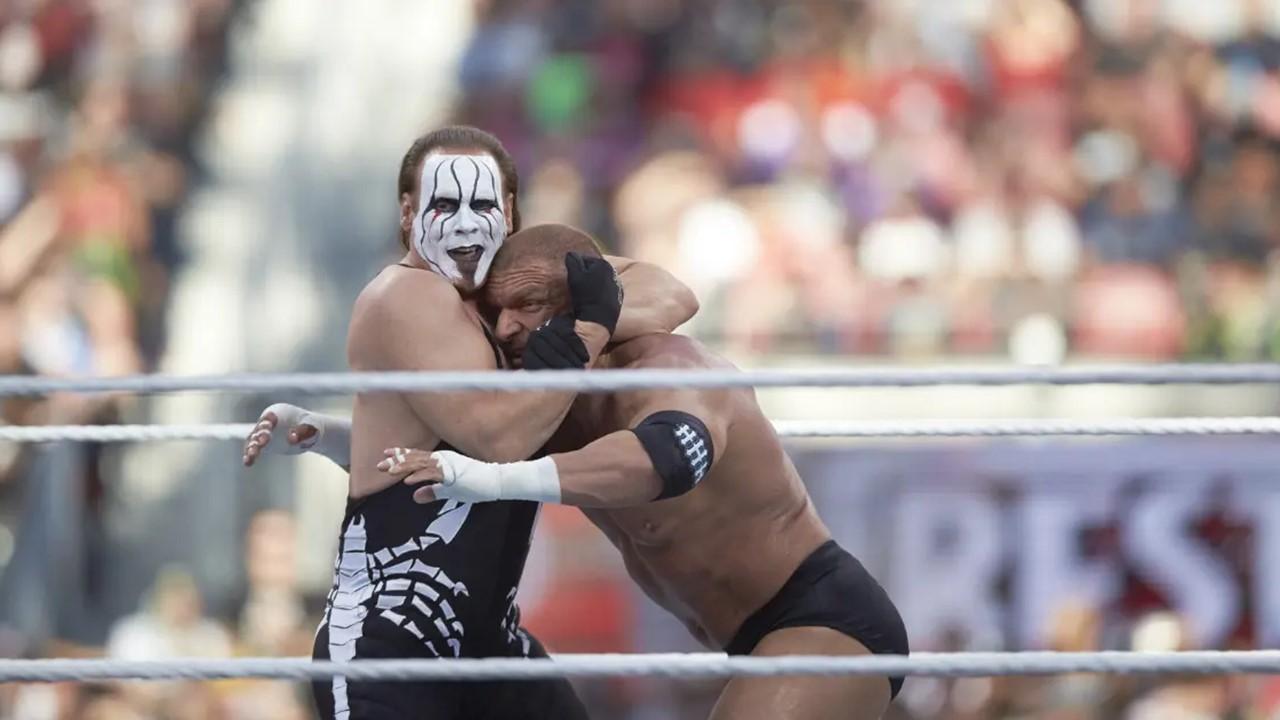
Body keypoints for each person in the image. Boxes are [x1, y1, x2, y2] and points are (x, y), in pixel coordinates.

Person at [257, 224, 908, 720]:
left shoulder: (668, 369)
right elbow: (444, 463)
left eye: (527, 304)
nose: (507, 327)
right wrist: (325, 437)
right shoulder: (543, 408)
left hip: (818, 618)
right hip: (734, 637)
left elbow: (670, 457)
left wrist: (502, 481)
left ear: (577, 306)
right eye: (496, 312)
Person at [244, 128, 698, 720]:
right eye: (442, 204)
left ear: (508, 213)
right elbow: (499, 442)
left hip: (490, 643)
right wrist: (582, 328)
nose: (463, 225)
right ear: (408, 215)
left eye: (481, 205)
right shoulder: (405, 295)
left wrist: (588, 307)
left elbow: (675, 296)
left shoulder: (503, 292)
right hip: (391, 645)